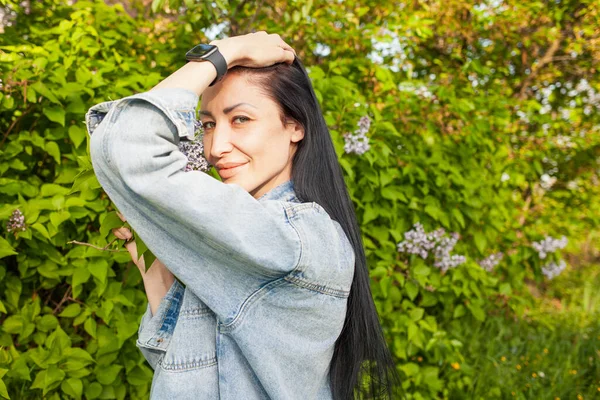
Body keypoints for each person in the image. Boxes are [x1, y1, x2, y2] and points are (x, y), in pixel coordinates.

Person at [86, 31, 399, 399]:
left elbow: (127, 145)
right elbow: (186, 371)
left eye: (241, 120)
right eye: (208, 124)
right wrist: (156, 263)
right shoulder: (255, 239)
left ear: (295, 126)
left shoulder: (292, 239)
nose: (216, 148)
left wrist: (226, 52)